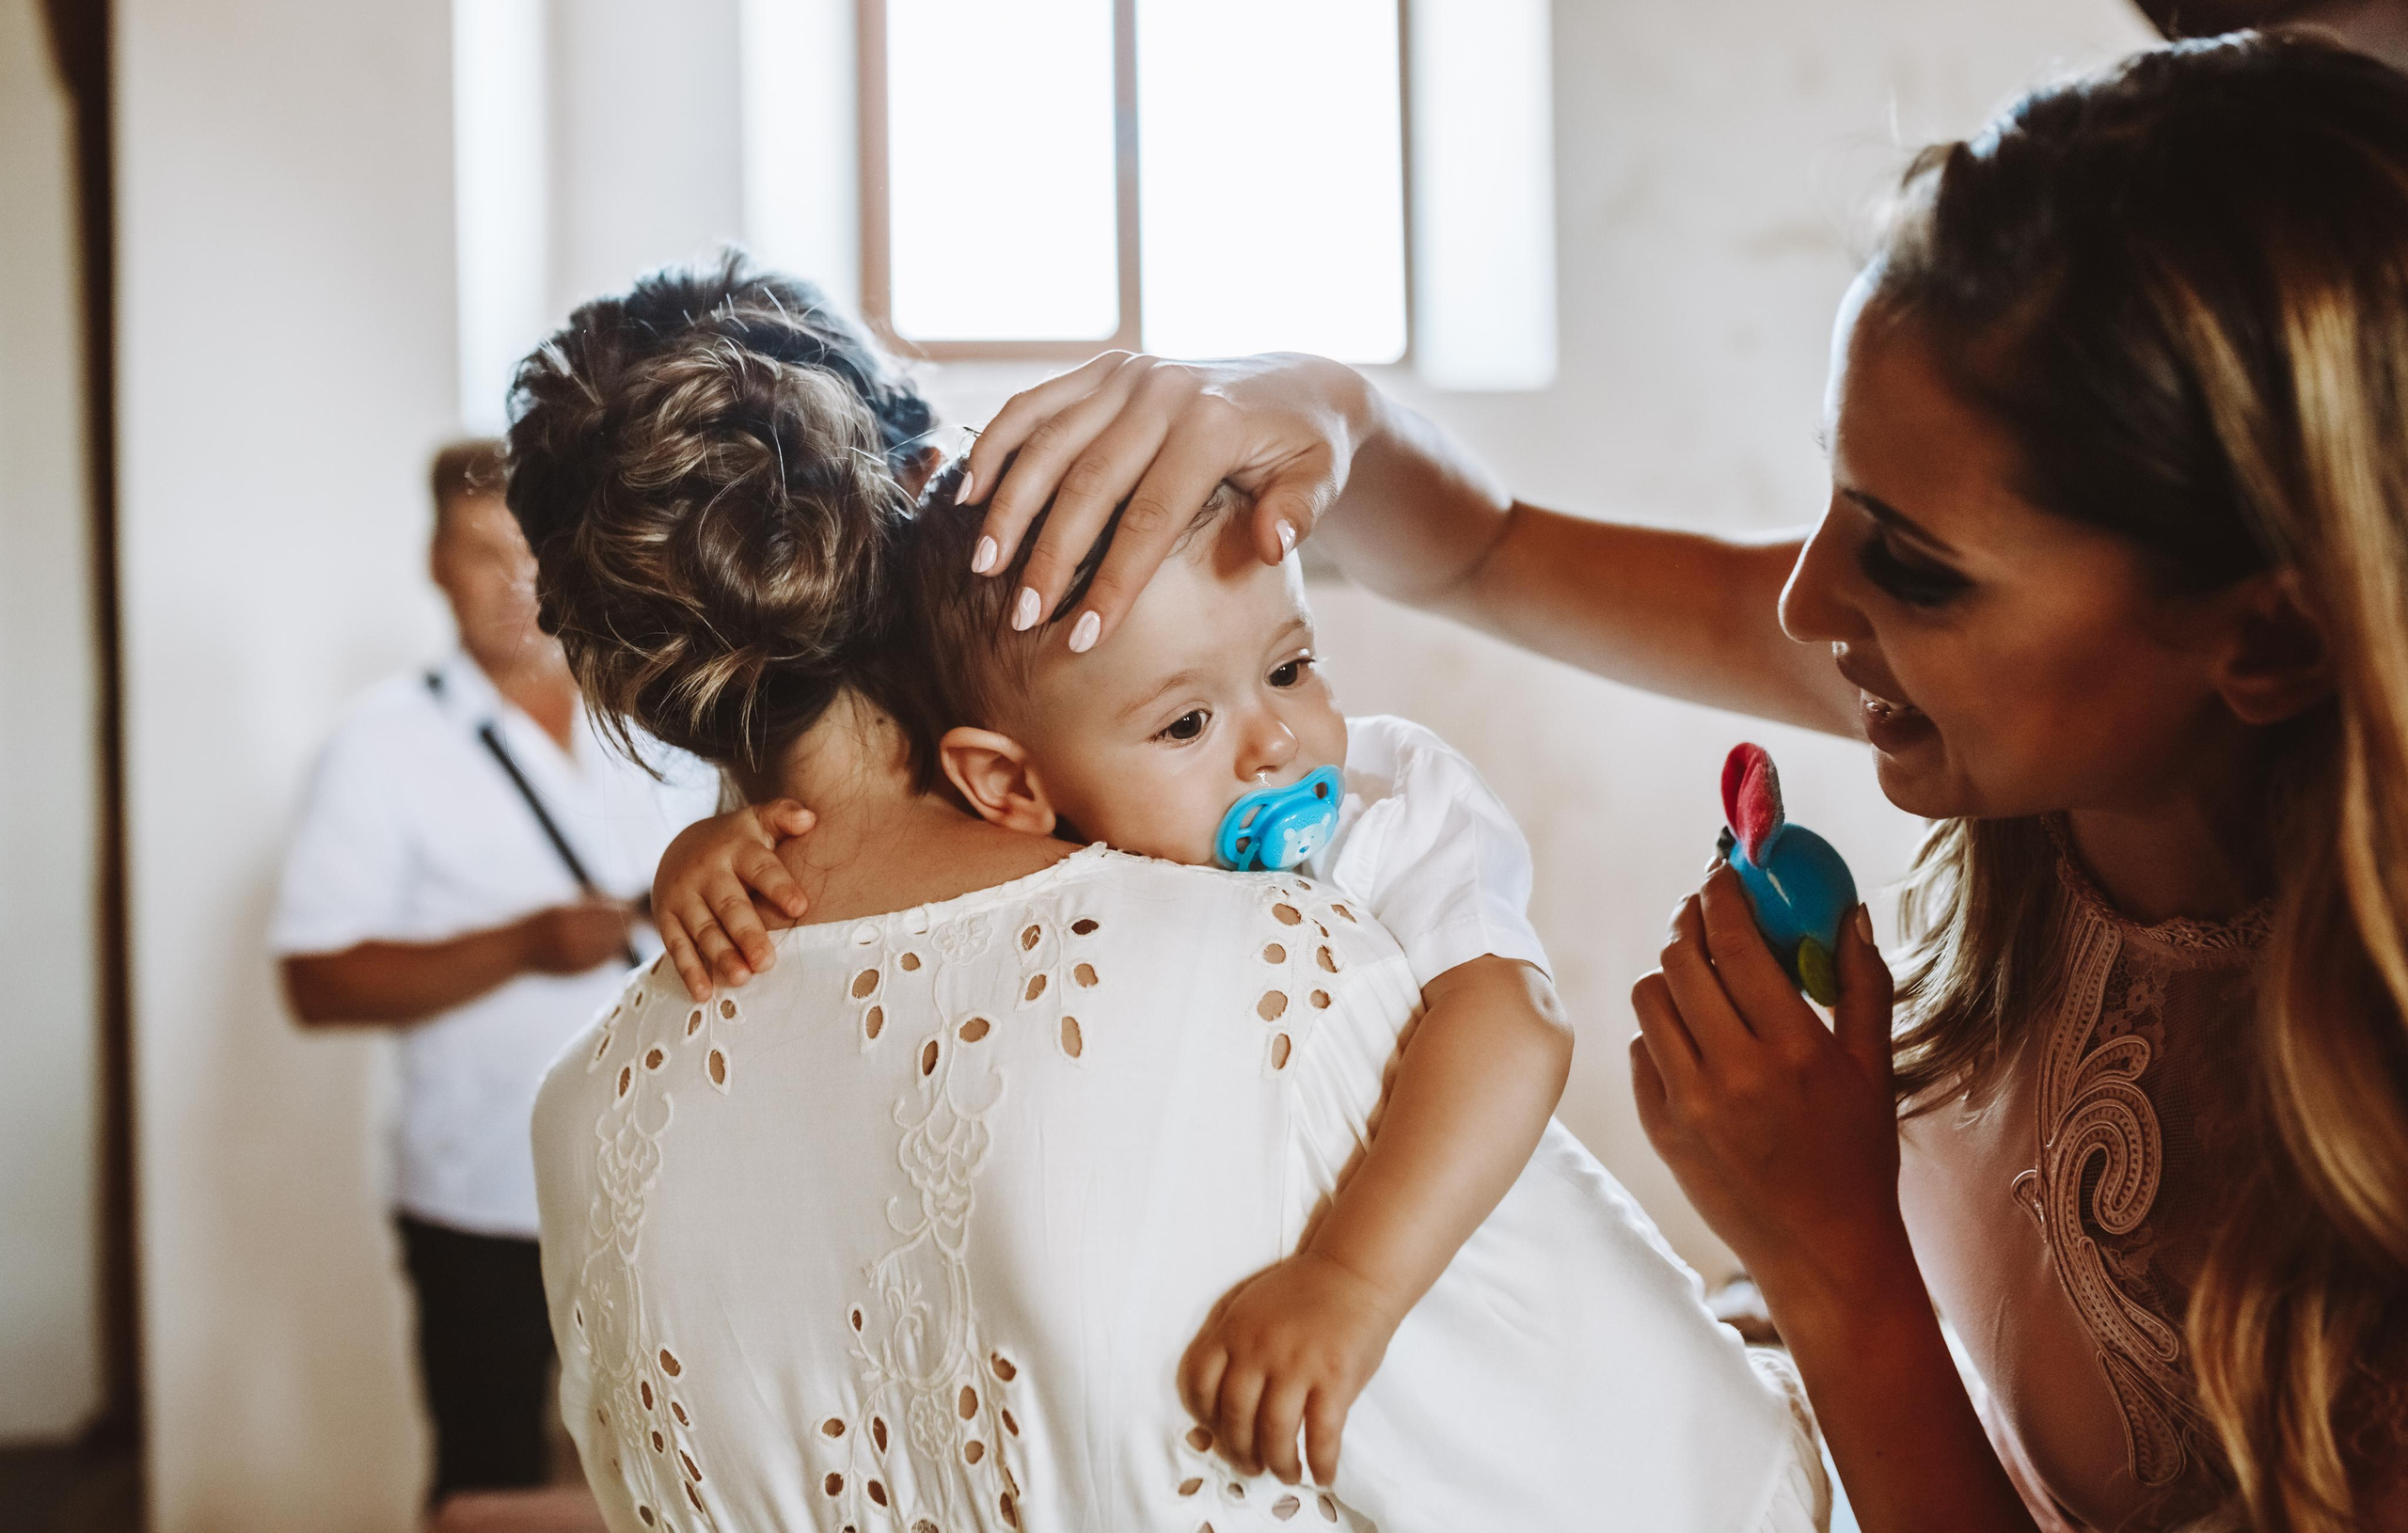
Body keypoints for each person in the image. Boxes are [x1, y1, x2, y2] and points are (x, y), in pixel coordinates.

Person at [946, 32, 2408, 1533]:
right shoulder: (2043, 719)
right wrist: (1314, 406)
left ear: (2273, 637)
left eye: (1911, 563)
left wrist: (1833, 1262)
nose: (1801, 608)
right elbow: (1485, 551)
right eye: (1833, 497)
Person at [510, 260, 1826, 1532]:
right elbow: (1709, 1493)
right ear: (923, 504)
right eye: (1192, 713)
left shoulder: (579, 1119)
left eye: (1292, 667)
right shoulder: (1284, 981)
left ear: (635, 675)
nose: (1273, 741)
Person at [273, 442, 717, 1511]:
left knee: (675, 1483)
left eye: (533, 554)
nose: (514, 583)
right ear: (435, 561)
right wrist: (520, 946)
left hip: (668, 1181)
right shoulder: (379, 748)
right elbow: (316, 982)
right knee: (487, 1480)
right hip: (480, 1195)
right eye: (482, 553)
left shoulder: (659, 721)